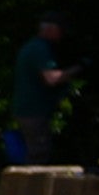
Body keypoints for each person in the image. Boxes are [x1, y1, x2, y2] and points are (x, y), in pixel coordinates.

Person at [11, 12, 74, 163]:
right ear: (51, 29)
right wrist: (78, 69)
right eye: (61, 30)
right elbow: (51, 78)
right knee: (38, 155)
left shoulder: (32, 46)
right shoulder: (39, 48)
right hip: (33, 111)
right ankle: (31, 187)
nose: (62, 35)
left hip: (28, 110)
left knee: (37, 152)